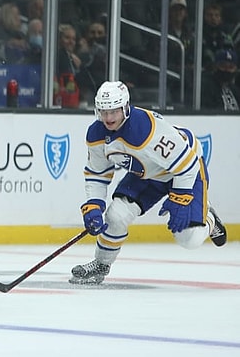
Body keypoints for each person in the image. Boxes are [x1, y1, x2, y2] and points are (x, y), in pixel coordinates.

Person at [70, 81, 227, 285]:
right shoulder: (96, 134)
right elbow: (97, 173)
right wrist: (93, 204)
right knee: (115, 216)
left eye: (114, 111)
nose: (108, 118)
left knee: (188, 238)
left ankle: (210, 218)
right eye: (104, 111)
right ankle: (101, 264)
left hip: (185, 171)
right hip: (147, 173)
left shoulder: (145, 129)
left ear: (125, 108)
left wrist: (180, 196)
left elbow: (187, 163)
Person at [201, 48, 240, 112]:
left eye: (231, 67)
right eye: (223, 66)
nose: (227, 70)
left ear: (236, 70)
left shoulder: (235, 90)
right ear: (215, 67)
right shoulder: (205, 87)